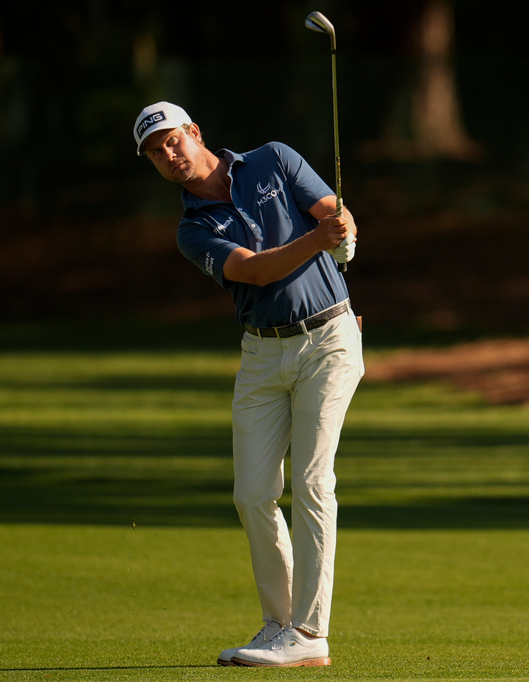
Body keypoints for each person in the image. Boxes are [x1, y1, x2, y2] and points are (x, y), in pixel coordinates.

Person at [133, 101, 363, 668]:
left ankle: (310, 635)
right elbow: (256, 270)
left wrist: (345, 232)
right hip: (261, 355)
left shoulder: (274, 160)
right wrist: (320, 238)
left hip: (328, 338)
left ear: (194, 132)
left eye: (170, 140)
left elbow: (334, 210)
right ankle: (280, 625)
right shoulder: (193, 229)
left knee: (312, 482)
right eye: (154, 153)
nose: (167, 155)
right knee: (253, 494)